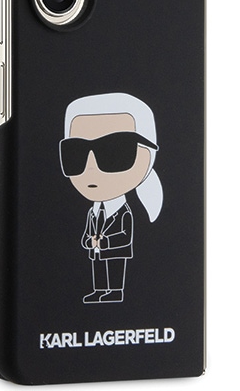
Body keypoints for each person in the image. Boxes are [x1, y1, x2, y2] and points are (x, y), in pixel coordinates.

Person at [59, 92, 163, 303]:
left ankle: (115, 291)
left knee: (114, 270)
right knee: (98, 270)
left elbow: (125, 236)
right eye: (75, 153)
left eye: (116, 150)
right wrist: (89, 241)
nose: (91, 167)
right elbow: (88, 231)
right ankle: (100, 290)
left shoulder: (124, 212)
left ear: (147, 156)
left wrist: (105, 242)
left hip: (115, 251)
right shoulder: (93, 211)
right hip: (97, 250)